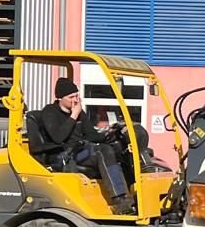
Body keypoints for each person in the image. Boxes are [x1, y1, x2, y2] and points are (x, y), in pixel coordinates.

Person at [30, 77, 134, 208]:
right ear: (60, 98)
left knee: (117, 149)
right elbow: (58, 137)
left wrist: (110, 133)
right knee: (101, 151)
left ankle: (131, 193)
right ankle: (119, 199)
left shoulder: (79, 112)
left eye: (77, 96)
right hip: (67, 154)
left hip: (81, 150)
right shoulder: (50, 112)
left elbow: (91, 135)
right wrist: (74, 115)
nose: (75, 100)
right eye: (71, 97)